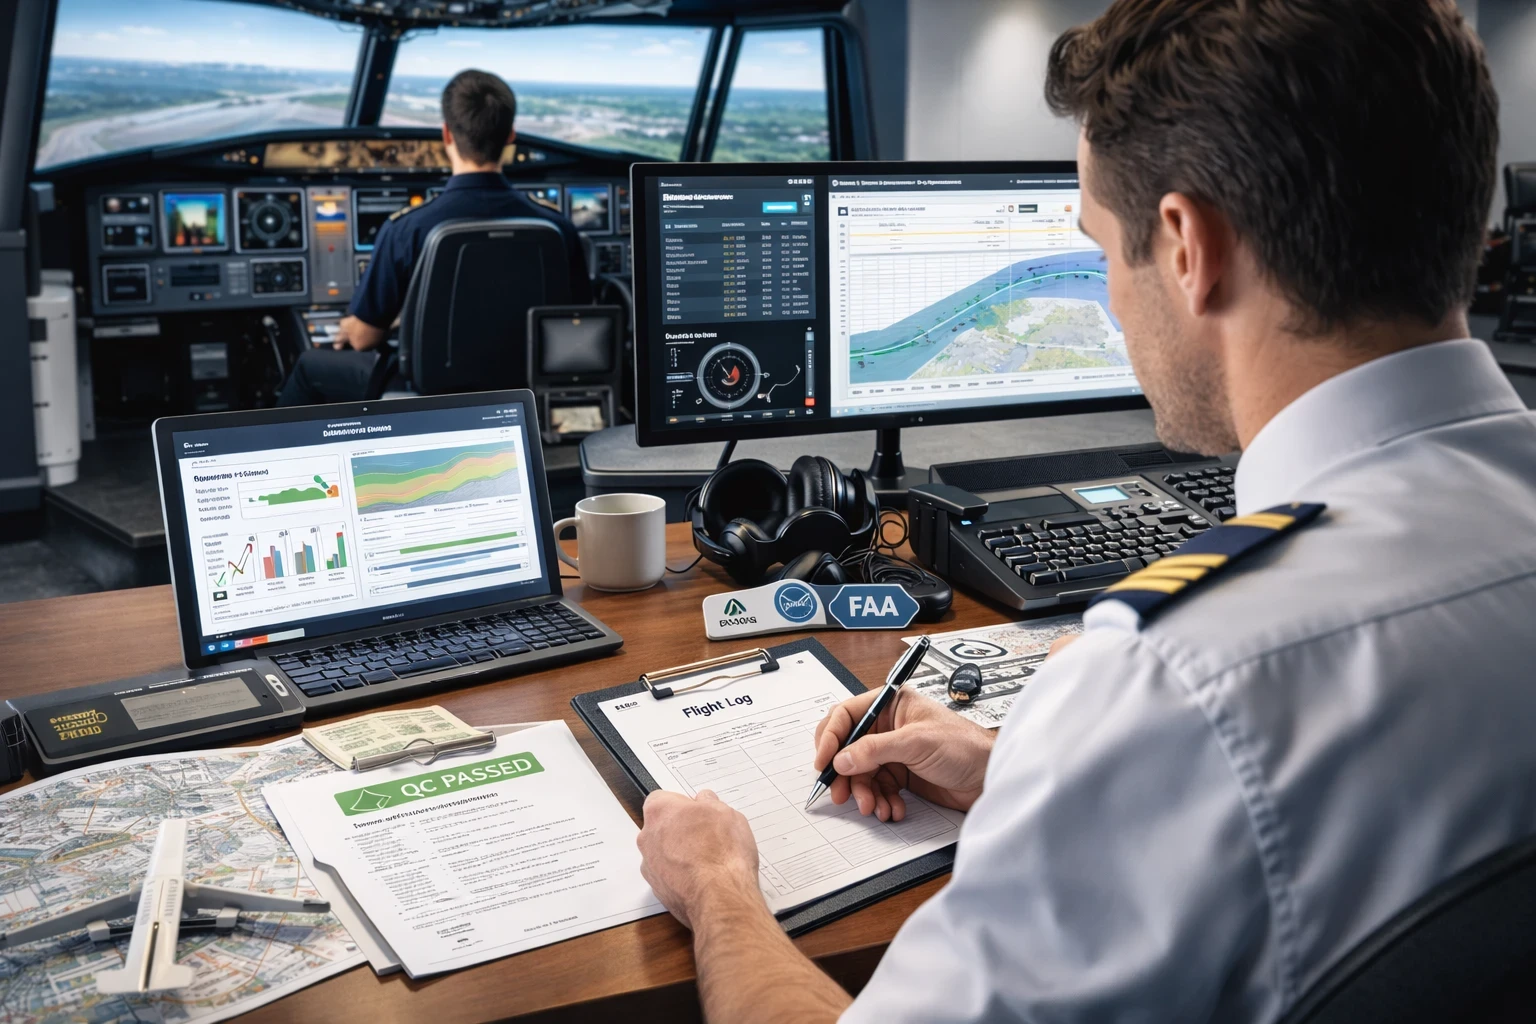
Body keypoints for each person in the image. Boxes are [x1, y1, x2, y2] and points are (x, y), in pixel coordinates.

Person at [635, 0, 1536, 1020]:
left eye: (1099, 247)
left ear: (1188, 246)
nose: (1107, 296)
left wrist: (717, 886)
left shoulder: (1170, 685)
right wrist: (1023, 768)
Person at [277, 69, 591, 406]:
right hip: (526, 388)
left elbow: (364, 338)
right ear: (510, 135)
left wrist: (389, 320)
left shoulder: (407, 228)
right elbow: (577, 321)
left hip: (431, 393)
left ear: (446, 135)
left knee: (311, 366)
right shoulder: (558, 228)